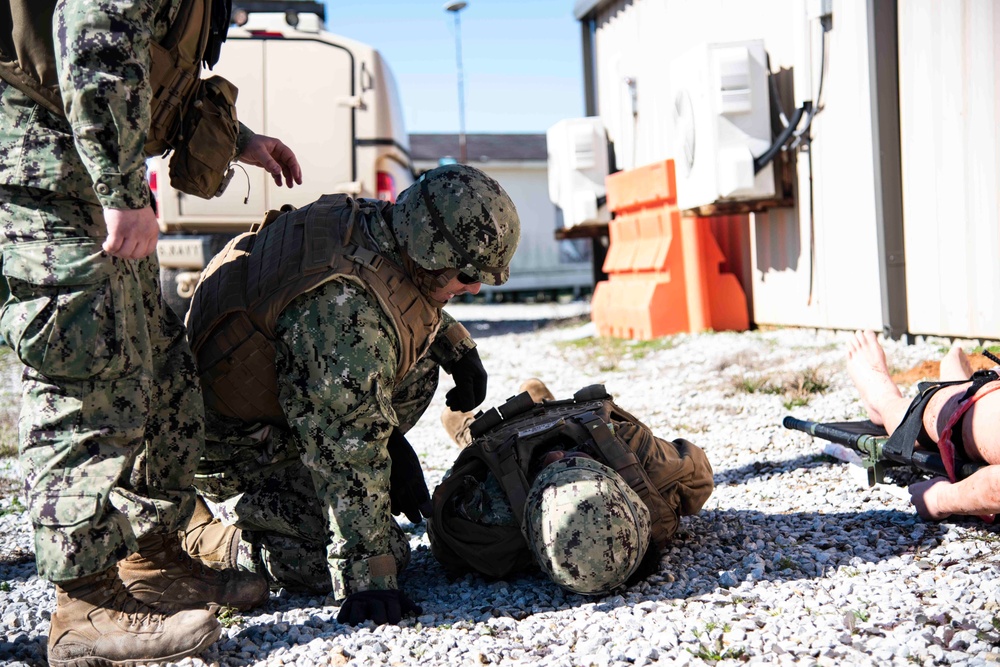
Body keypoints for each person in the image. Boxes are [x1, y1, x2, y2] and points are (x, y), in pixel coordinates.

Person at [0, 0, 302, 664]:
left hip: (90, 161)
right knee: (83, 366)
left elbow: (147, 62)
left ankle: (155, 560)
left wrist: (237, 136)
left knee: (160, 365)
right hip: (46, 158)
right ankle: (82, 603)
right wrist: (119, 188)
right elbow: (91, 33)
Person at [179, 163, 520, 625]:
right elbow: (345, 448)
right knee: (393, 551)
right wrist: (369, 576)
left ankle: (354, 419)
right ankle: (212, 538)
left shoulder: (383, 223)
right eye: (466, 274)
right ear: (429, 248)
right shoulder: (342, 312)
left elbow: (403, 287)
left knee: (417, 369)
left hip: (290, 390)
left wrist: (455, 347)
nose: (474, 287)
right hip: (237, 444)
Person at [428, 379, 715, 595]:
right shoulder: (646, 470)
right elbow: (698, 470)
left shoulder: (494, 531)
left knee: (486, 452)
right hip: (576, 421)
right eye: (580, 462)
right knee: (567, 420)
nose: (557, 455)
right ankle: (543, 407)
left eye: (550, 471)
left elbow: (441, 532)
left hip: (504, 443)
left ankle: (470, 429)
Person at [846, 330, 1000, 521]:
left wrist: (939, 499)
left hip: (972, 415)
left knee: (920, 412)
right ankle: (887, 400)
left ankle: (883, 398)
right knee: (938, 406)